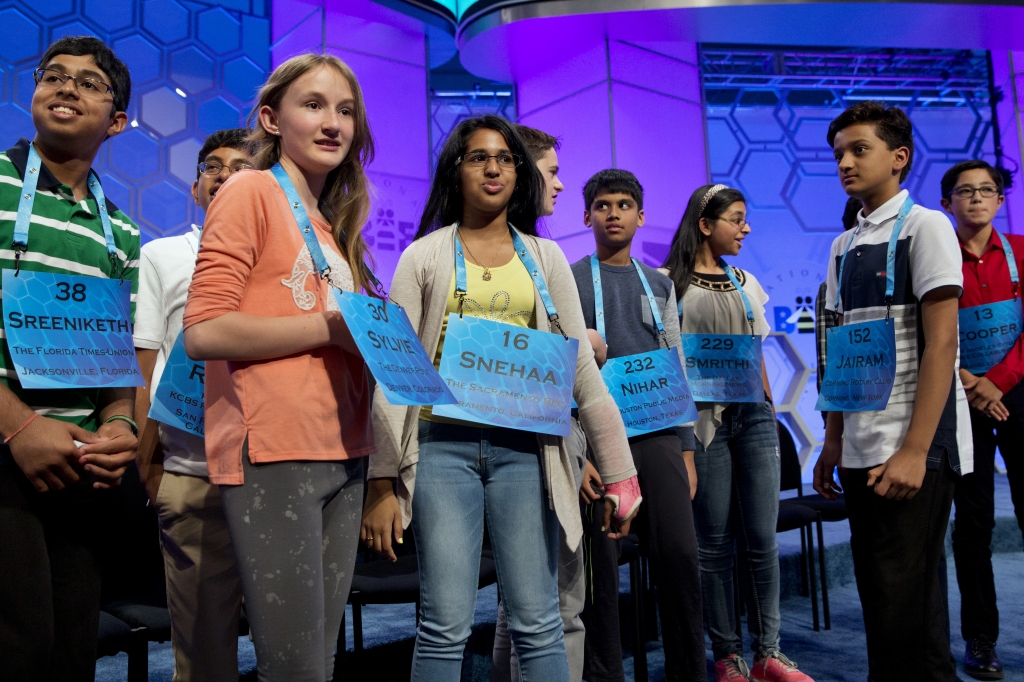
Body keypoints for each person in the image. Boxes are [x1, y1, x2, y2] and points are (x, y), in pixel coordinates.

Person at [360, 115, 641, 681]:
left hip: (525, 452)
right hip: (442, 451)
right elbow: (396, 371)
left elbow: (580, 368)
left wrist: (620, 474)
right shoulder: (423, 256)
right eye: (477, 157)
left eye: (506, 158)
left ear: (518, 172)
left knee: (538, 621)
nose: (493, 167)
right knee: (444, 624)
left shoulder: (545, 257)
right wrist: (381, 479)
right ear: (455, 172)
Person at [183, 53, 376, 682]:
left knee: (316, 663)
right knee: (293, 667)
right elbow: (204, 331)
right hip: (273, 448)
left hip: (344, 448)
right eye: (313, 105)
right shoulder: (250, 190)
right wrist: (330, 328)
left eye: (345, 110)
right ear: (271, 118)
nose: (333, 123)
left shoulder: (329, 222)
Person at [813, 101, 971, 682]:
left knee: (898, 605)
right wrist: (832, 438)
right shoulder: (842, 244)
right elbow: (837, 347)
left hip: (914, 444)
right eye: (839, 155)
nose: (846, 163)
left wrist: (914, 451)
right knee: (895, 599)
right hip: (859, 441)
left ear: (899, 158)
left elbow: (943, 345)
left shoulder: (926, 226)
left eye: (860, 150)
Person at [0, 36, 141, 681]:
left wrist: (121, 427)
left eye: (89, 82)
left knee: (71, 652)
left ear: (116, 121)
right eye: (53, 76)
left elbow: (115, 363)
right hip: (7, 455)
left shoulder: (123, 231)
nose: (65, 87)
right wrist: (19, 426)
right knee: (17, 647)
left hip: (81, 467)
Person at [664, 184, 813, 682]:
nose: (745, 228)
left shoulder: (748, 282)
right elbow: (669, 363)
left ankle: (770, 652)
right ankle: (729, 655)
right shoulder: (669, 285)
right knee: (713, 545)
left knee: (761, 541)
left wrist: (768, 410)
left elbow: (757, 356)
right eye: (736, 219)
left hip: (753, 420)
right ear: (705, 225)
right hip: (704, 426)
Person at [571, 169, 704, 682]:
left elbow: (676, 363)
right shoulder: (571, 278)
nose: (613, 214)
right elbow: (564, 365)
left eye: (624, 205)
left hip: (660, 437)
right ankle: (605, 675)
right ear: (587, 216)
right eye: (603, 205)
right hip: (599, 442)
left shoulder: (661, 284)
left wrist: (687, 450)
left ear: (641, 215)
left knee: (680, 557)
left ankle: (689, 671)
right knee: (602, 569)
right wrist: (575, 448)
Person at [133, 129, 253, 681]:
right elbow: (144, 361)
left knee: (291, 648)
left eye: (239, 166)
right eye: (212, 166)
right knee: (204, 659)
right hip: (192, 472)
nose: (224, 174)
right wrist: (148, 464)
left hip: (273, 471)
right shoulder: (162, 255)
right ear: (196, 185)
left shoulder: (287, 258)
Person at [489, 124, 593, 682]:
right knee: (558, 608)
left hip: (550, 442)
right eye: (550, 172)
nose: (558, 184)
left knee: (522, 611)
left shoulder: (539, 256)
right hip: (531, 449)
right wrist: (583, 346)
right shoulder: (522, 259)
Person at [940, 159, 1023, 680]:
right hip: (962, 398)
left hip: (1017, 393)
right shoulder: (934, 255)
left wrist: (1001, 381)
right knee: (973, 527)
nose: (976, 198)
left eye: (986, 190)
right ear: (948, 201)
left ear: (998, 198)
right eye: (964, 191)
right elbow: (928, 331)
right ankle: (981, 640)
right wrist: (973, 382)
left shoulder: (1020, 250)